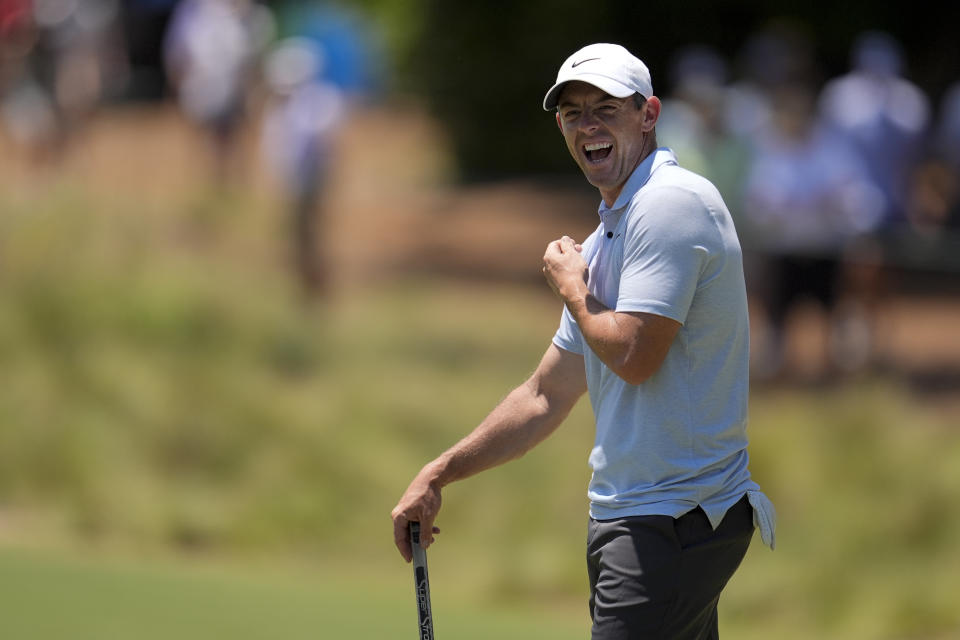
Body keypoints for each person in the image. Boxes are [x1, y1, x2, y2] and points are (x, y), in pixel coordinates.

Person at [391, 43, 775, 640]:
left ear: (648, 114)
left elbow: (633, 356)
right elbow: (545, 395)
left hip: (670, 521)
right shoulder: (605, 239)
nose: (588, 126)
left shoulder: (669, 204)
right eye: (573, 113)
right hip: (647, 521)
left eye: (606, 108)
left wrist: (573, 291)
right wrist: (439, 474)